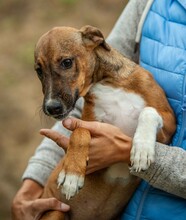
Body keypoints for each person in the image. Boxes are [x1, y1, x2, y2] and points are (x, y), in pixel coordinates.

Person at [12, 0, 186, 219]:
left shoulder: (142, 88)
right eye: (41, 72)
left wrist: (127, 152)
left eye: (65, 63)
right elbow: (78, 114)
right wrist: (31, 184)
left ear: (94, 40)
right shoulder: (151, 4)